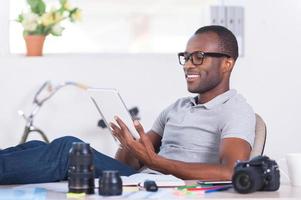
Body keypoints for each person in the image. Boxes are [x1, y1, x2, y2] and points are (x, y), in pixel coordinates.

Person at [0, 25, 255, 185]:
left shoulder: (236, 110)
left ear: (227, 63)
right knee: (37, 146)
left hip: (174, 187)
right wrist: (128, 142)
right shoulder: (177, 107)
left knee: (69, 150)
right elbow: (131, 164)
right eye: (186, 57)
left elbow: (231, 171)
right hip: (144, 178)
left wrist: (156, 163)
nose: (189, 64)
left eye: (199, 57)